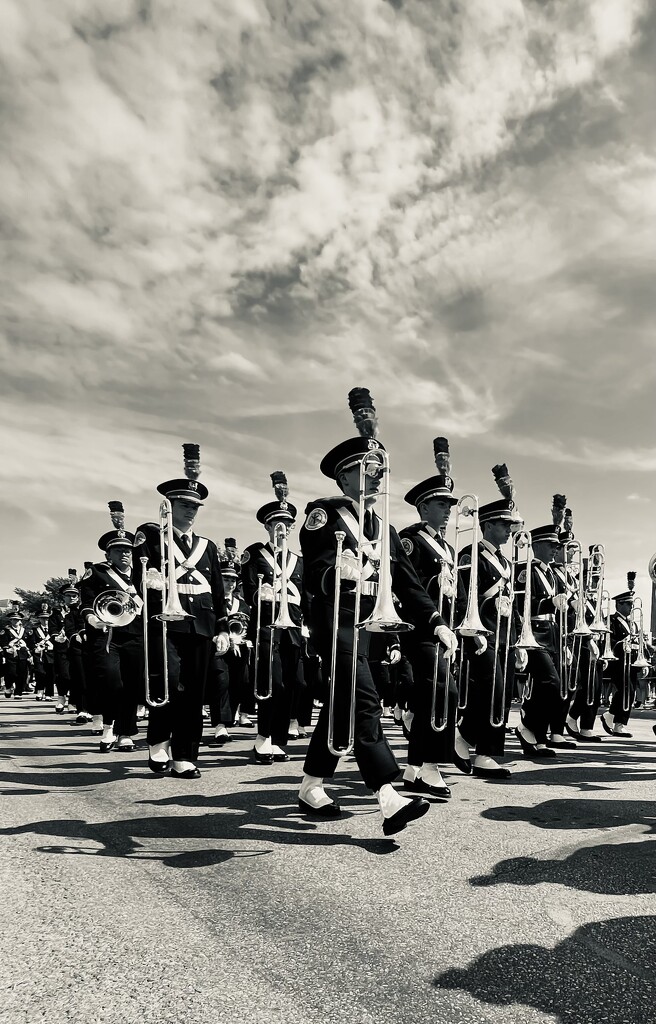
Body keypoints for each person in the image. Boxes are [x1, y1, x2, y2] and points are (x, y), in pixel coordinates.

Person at [298, 388, 457, 836]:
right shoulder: (323, 517)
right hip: (337, 627)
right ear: (344, 478)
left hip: (375, 629)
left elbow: (407, 582)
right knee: (363, 705)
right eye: (366, 470)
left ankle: (311, 783)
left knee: (341, 707)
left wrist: (436, 621)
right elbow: (315, 573)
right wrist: (338, 569)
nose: (374, 477)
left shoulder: (382, 527)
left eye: (377, 470)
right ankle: (388, 794)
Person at [134, 443, 229, 778]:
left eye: (194, 506)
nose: (191, 511)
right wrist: (151, 580)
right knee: (171, 684)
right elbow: (137, 575)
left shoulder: (208, 546)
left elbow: (217, 590)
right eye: (184, 504)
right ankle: (158, 740)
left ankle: (185, 755)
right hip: (166, 623)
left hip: (201, 623)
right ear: (169, 505)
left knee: (195, 693)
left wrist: (222, 628)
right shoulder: (150, 535)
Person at [398, 436, 463, 798]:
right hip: (421, 627)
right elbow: (411, 587)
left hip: (443, 629)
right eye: (441, 503)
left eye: (449, 504)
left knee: (432, 696)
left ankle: (414, 768)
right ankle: (429, 766)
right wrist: (436, 619)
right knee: (442, 691)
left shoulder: (449, 547)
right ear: (423, 506)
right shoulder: (411, 540)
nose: (448, 509)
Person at [457, 484, 525, 779]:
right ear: (486, 525)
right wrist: (472, 632)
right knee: (492, 689)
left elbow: (514, 604)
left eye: (509, 524)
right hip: (481, 633)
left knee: (502, 693)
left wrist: (521, 639)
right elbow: (462, 597)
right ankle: (480, 749)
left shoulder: (507, 563)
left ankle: (471, 742)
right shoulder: (469, 554)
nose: (508, 529)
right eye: (502, 524)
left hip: (505, 634)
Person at [240, 472, 305, 764]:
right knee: (272, 683)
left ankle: (278, 740)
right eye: (278, 524)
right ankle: (262, 737)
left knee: (291, 684)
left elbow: (305, 598)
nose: (283, 530)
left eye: (288, 525)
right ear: (267, 526)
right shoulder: (255, 555)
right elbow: (252, 591)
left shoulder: (298, 561)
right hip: (266, 627)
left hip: (293, 629)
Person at [80, 502, 144, 753]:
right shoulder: (97, 572)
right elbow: (85, 604)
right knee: (111, 680)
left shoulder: (142, 573)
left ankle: (125, 732)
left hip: (136, 634)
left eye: (127, 550)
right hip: (107, 635)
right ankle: (108, 725)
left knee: (131, 683)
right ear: (109, 554)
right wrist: (92, 619)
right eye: (118, 550)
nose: (124, 554)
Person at [515, 521, 570, 759]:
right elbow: (521, 604)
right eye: (550, 544)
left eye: (556, 546)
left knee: (548, 687)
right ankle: (527, 724)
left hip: (553, 631)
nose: (555, 549)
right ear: (536, 545)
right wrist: (550, 603)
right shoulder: (525, 570)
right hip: (534, 631)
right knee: (550, 683)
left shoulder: (553, 574)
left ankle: (537, 736)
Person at [206, 554, 252, 744]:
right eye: (226, 579)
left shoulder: (242, 604)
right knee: (221, 682)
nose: (230, 583)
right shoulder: (211, 600)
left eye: (233, 579)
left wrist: (245, 640)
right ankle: (220, 725)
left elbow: (248, 626)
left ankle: (229, 718)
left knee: (238, 683)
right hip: (217, 649)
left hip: (239, 650)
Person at [601, 573, 649, 737]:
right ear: (619, 605)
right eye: (627, 604)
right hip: (619, 661)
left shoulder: (633, 624)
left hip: (632, 662)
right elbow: (609, 641)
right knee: (624, 691)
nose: (630, 607)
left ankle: (618, 721)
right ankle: (615, 719)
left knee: (631, 692)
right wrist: (623, 642)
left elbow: (640, 643)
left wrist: (644, 661)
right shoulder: (611, 620)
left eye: (631, 604)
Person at [1, 606, 32, 699]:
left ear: (20, 621)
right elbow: (3, 641)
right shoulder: (6, 631)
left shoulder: (25, 631)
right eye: (14, 620)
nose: (16, 621)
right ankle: (8, 686)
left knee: (21, 673)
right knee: (11, 672)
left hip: (22, 654)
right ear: (11, 620)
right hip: (11, 654)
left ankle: (18, 692)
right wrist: (6, 648)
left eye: (17, 620)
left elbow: (30, 642)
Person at [31, 604, 55, 701]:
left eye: (47, 619)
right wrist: (35, 648)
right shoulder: (35, 630)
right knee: (40, 673)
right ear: (39, 619)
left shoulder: (54, 631)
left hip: (51, 654)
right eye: (43, 619)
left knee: (50, 674)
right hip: (39, 655)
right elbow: (31, 642)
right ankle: (40, 690)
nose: (45, 621)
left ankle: (49, 694)